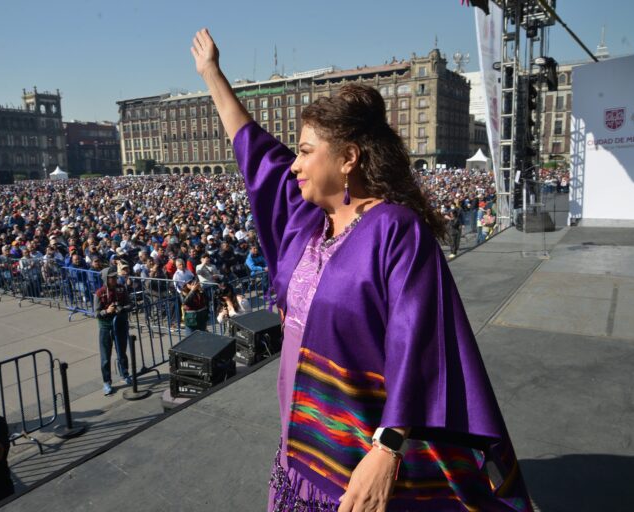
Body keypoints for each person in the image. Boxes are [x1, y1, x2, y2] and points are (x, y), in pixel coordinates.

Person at [192, 29, 531, 512]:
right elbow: (256, 154)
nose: (294, 165)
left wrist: (388, 448)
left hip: (358, 450)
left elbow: (418, 344)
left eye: (305, 151)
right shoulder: (307, 222)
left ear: (348, 158)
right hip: (300, 444)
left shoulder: (394, 230)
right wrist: (212, 74)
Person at [93, 266, 132, 395]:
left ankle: (125, 374)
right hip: (105, 327)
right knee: (105, 356)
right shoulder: (99, 293)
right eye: (112, 277)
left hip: (120, 324)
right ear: (106, 279)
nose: (115, 279)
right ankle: (107, 382)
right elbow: (96, 313)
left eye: (115, 277)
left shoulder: (121, 288)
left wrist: (122, 308)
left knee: (122, 352)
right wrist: (107, 311)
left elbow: (130, 304)